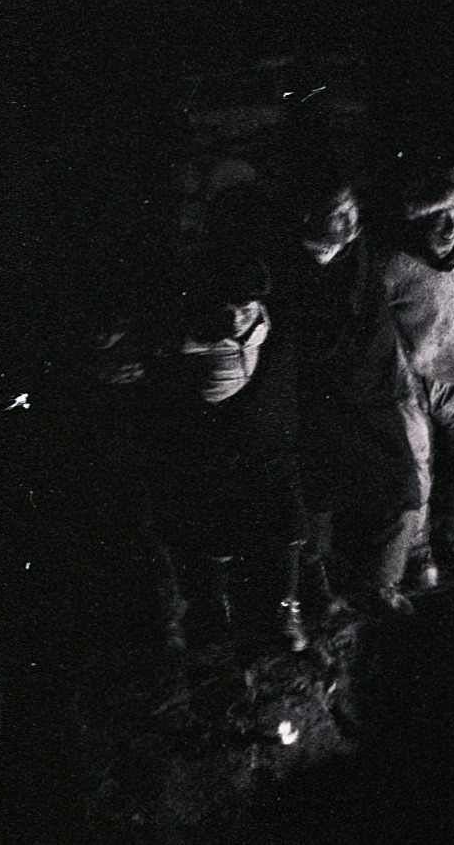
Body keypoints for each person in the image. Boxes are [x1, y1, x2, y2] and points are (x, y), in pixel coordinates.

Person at [266, 174, 422, 617]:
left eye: (354, 212)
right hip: (319, 403)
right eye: (340, 214)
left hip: (371, 395)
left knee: (399, 487)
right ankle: (316, 592)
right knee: (318, 499)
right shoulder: (289, 268)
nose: (352, 223)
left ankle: (381, 583)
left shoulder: (358, 255)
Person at [146, 252, 309, 652]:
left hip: (269, 444)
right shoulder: (194, 339)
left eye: (246, 309)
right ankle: (216, 612)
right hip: (214, 443)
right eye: (229, 309)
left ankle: (286, 609)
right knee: (215, 529)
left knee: (287, 525)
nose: (238, 318)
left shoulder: (270, 329)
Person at [381, 165, 454, 589]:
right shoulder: (395, 265)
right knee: (417, 467)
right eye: (440, 216)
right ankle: (418, 550)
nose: (450, 226)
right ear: (418, 219)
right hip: (408, 382)